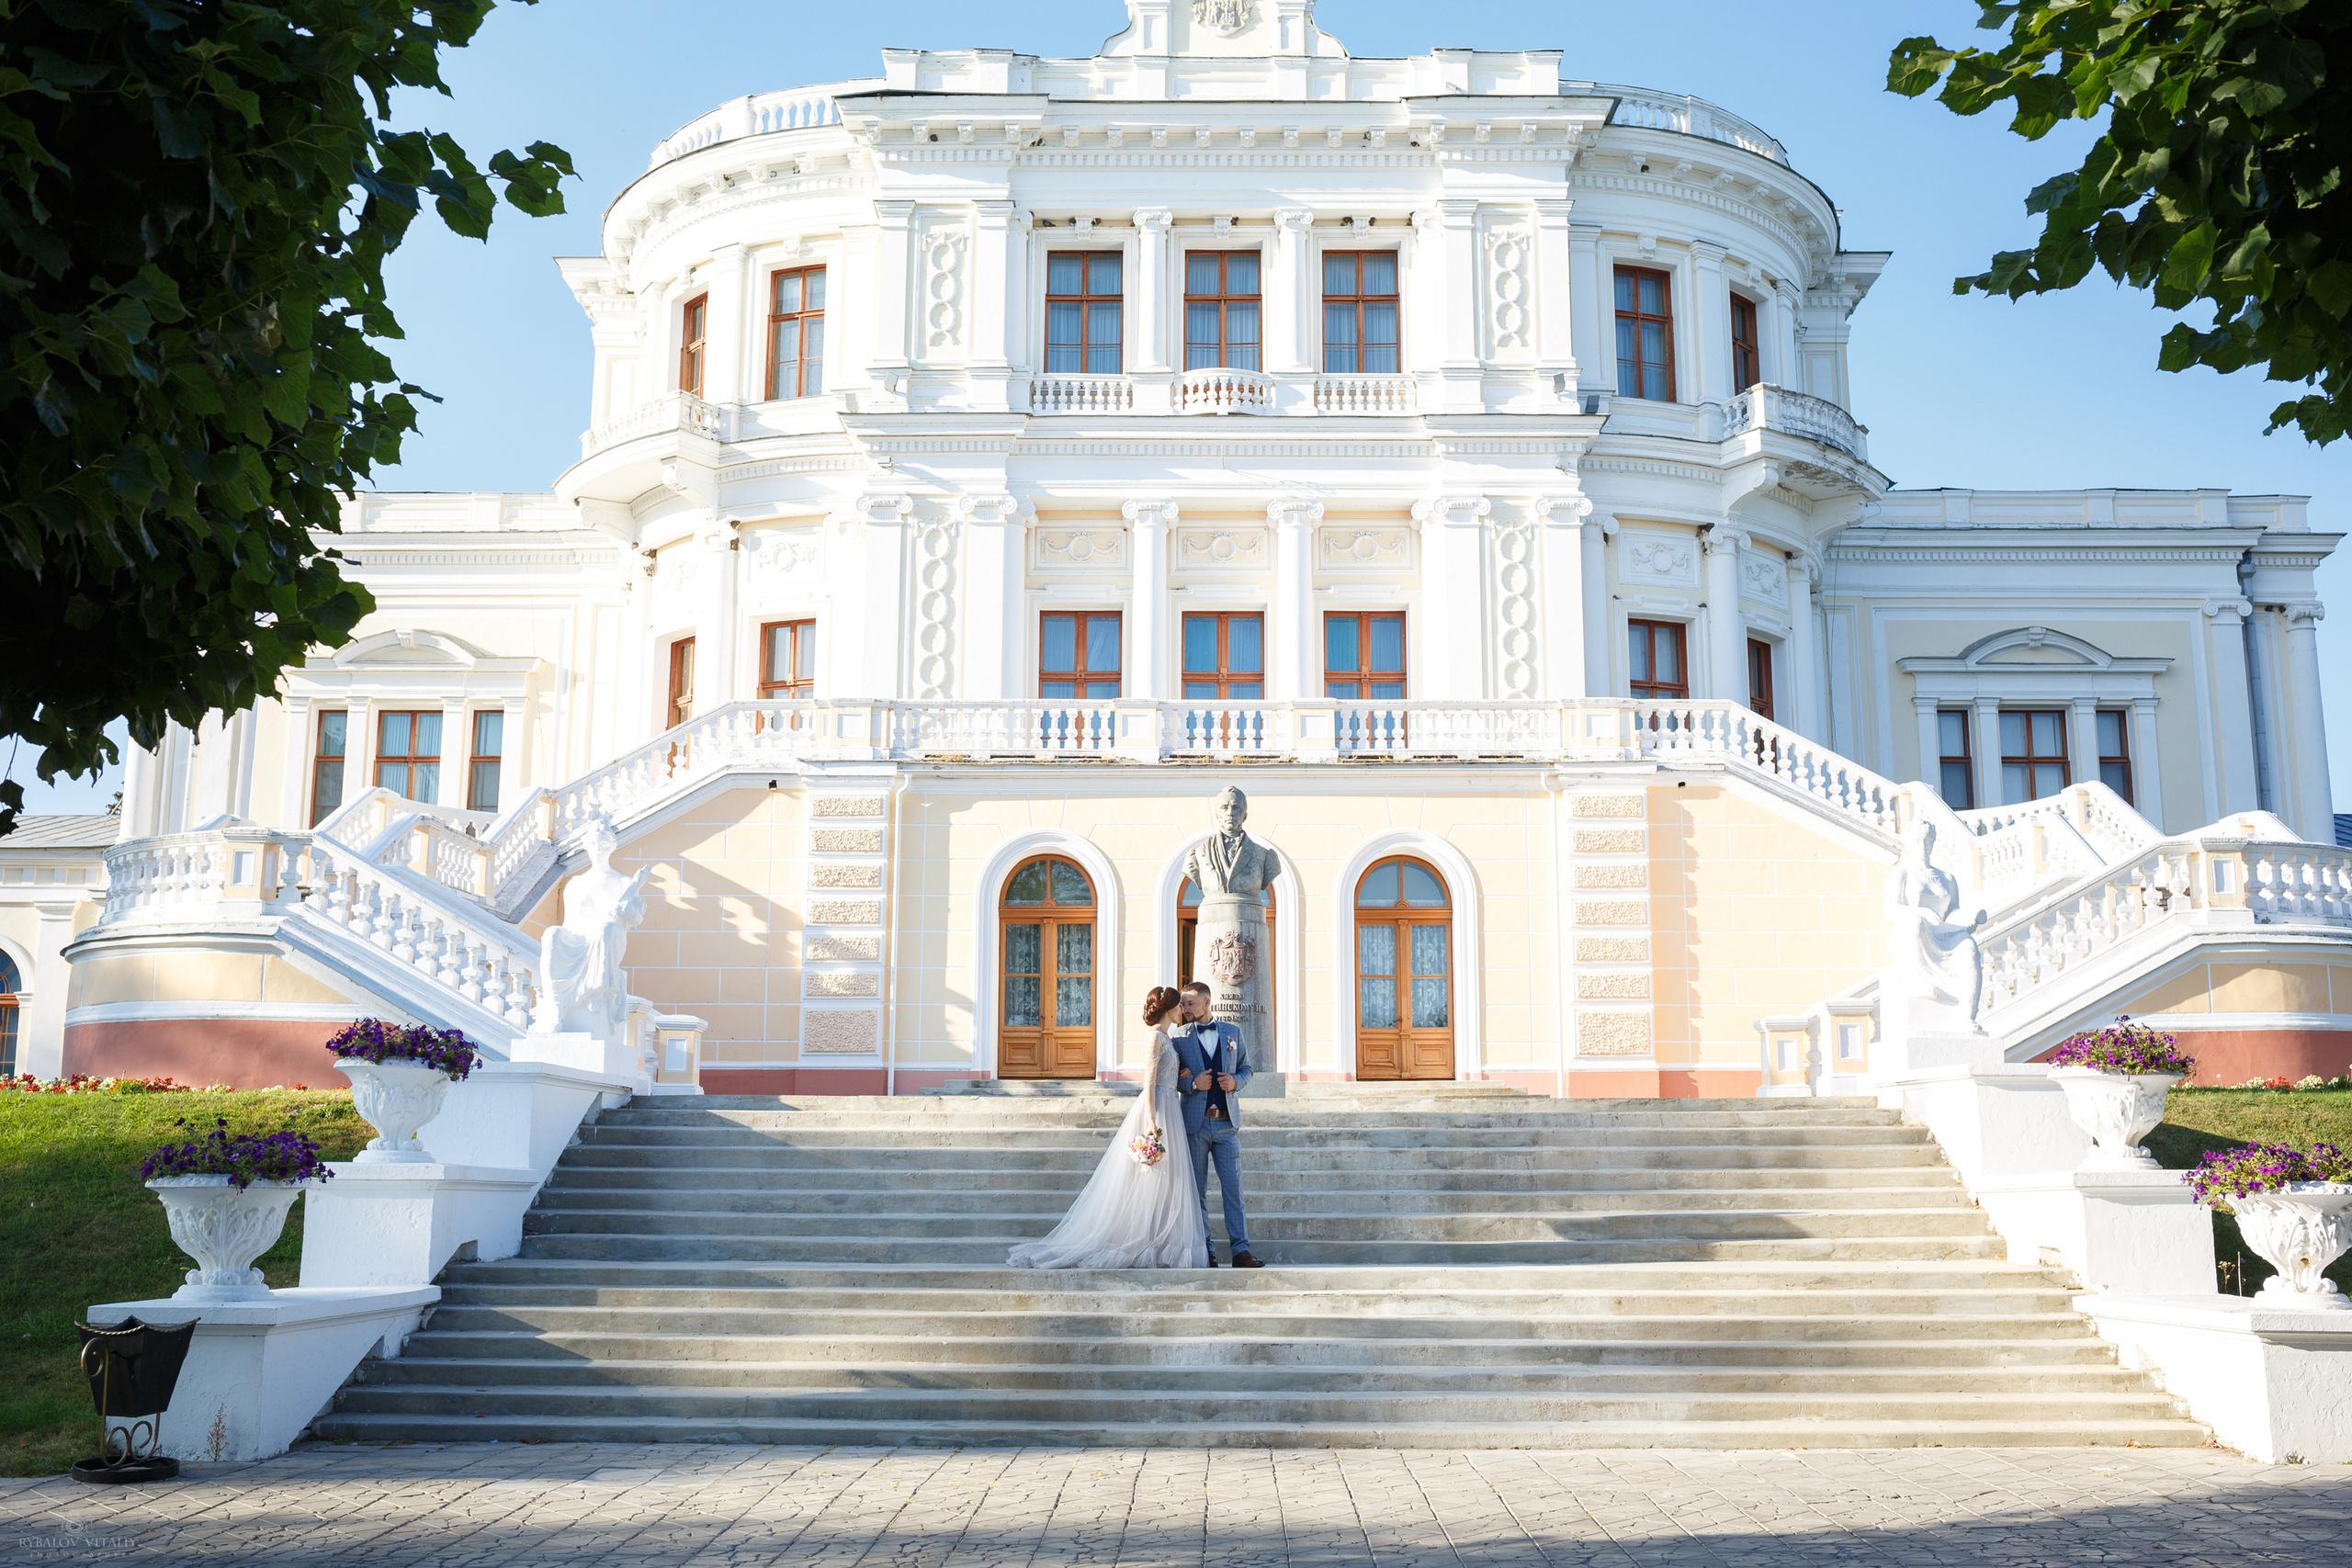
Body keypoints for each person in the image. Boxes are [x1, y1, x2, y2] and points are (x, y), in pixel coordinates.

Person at [1007, 987, 1208, 1269]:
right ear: (1168, 1009)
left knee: (1167, 1177)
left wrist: (1180, 1076)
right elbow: (1148, 1083)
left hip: (1170, 1105)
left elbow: (1165, 1075)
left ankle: (1160, 1241)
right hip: (1159, 1108)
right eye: (1178, 1007)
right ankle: (1140, 1239)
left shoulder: (1167, 1038)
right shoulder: (1155, 1039)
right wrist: (1151, 1121)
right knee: (1150, 1175)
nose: (1182, 1011)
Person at [1170, 979, 1262, 1268]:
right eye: (1183, 1004)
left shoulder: (1233, 1032)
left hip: (1226, 1124)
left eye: (1190, 1003)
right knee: (1196, 1192)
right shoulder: (1178, 1038)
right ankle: (1205, 1250)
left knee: (1233, 1190)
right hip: (1194, 1125)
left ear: (1206, 1003)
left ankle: (1240, 1251)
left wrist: (1235, 1081)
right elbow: (1170, 1079)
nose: (1184, 1008)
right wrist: (1193, 1084)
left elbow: (1247, 1068)